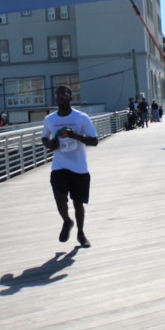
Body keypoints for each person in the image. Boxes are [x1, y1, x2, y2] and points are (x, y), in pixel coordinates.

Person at [42, 85, 98, 247]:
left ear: (71, 97)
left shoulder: (81, 118)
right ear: (55, 98)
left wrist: (76, 136)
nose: (61, 96)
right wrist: (50, 144)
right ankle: (67, 221)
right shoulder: (50, 119)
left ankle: (81, 233)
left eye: (65, 94)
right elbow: (44, 138)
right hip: (59, 165)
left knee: (77, 202)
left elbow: (94, 141)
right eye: (58, 94)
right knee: (59, 197)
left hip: (78, 166)